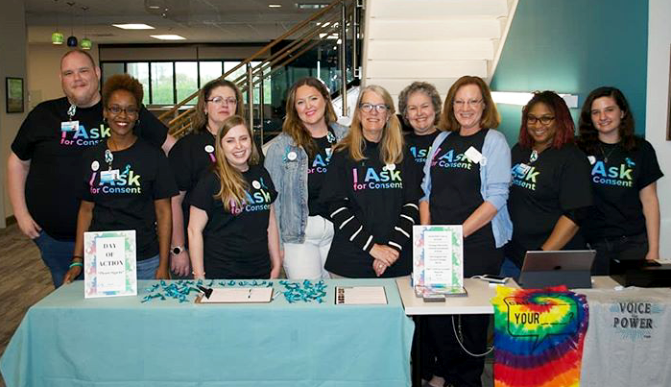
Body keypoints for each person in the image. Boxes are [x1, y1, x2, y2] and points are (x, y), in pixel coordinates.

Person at [8, 49, 174, 288]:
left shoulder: (125, 108)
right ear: (61, 78)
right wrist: (21, 215)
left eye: (83, 70)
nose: (77, 78)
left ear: (97, 73)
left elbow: (173, 149)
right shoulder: (43, 115)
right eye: (69, 73)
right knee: (74, 311)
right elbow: (17, 162)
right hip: (58, 239)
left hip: (130, 244)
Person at [419, 75, 512, 387]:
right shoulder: (442, 139)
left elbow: (497, 196)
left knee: (471, 322)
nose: (466, 107)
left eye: (473, 100)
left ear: (484, 105)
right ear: (451, 105)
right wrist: (428, 235)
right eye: (459, 101)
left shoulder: (494, 141)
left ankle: (468, 381)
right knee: (438, 319)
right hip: (438, 245)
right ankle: (450, 375)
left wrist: (456, 235)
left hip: (478, 244)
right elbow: (425, 192)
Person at [63, 74, 177, 283]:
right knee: (105, 316)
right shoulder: (91, 156)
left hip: (145, 260)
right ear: (105, 112)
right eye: (115, 108)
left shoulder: (153, 156)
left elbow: (164, 212)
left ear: (137, 115)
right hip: (101, 258)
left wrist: (163, 264)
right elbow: (86, 211)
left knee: (145, 316)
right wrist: (77, 259)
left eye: (130, 109)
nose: (122, 115)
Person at [320, 85, 420, 278]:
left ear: (389, 114)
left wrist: (390, 249)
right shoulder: (342, 154)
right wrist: (374, 248)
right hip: (351, 260)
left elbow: (411, 205)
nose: (373, 112)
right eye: (367, 106)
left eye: (381, 107)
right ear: (358, 113)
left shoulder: (403, 153)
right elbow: (337, 208)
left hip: (396, 258)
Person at [502, 91, 593, 280]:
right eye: (532, 119)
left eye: (546, 119)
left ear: (560, 120)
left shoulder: (572, 158)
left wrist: (541, 256)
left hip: (551, 261)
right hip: (514, 256)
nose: (538, 125)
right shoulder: (520, 150)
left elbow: (575, 215)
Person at [264, 77, 348, 279]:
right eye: (300, 102)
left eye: (313, 99)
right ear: (294, 109)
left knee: (339, 297)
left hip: (342, 231)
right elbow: (272, 202)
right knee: (310, 298)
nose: (308, 106)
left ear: (326, 100)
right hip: (299, 236)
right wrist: (277, 247)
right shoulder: (281, 146)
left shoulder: (347, 137)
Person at [577, 87, 663, 274]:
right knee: (591, 301)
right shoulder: (578, 149)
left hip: (632, 243)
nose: (603, 117)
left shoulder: (642, 149)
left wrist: (654, 250)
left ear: (622, 112)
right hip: (589, 244)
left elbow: (650, 201)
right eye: (596, 112)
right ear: (589, 117)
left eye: (609, 110)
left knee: (632, 302)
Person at [188, 115, 281, 280]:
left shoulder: (261, 173)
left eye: (243, 138)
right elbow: (194, 230)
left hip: (261, 270)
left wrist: (276, 262)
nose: (238, 146)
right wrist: (199, 275)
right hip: (222, 273)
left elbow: (271, 222)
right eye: (230, 141)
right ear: (221, 147)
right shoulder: (210, 179)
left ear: (251, 142)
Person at [168, 79, 245, 277]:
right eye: (217, 100)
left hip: (241, 250)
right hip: (201, 248)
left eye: (231, 100)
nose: (225, 105)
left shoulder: (246, 145)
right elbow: (174, 201)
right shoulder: (187, 147)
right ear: (204, 107)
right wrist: (178, 248)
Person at [398, 81, 442, 176]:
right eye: (413, 108)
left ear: (435, 108)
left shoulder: (448, 141)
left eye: (425, 106)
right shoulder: (398, 145)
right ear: (406, 114)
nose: (419, 113)